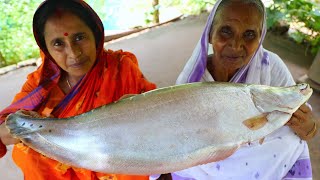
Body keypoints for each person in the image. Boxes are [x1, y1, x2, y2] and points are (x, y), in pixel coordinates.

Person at [152, 0, 317, 179]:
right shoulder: (193, 80)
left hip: (260, 162)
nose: (236, 45)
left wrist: (306, 126)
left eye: (249, 34)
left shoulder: (270, 67)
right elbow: (175, 137)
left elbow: (307, 131)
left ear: (260, 37)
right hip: (208, 164)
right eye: (226, 31)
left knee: (290, 140)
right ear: (209, 34)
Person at [0, 0, 156, 179]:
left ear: (95, 35)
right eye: (58, 43)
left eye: (79, 37)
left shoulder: (120, 68)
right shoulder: (39, 86)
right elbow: (5, 129)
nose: (74, 53)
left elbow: (155, 116)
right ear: (46, 48)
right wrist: (17, 130)